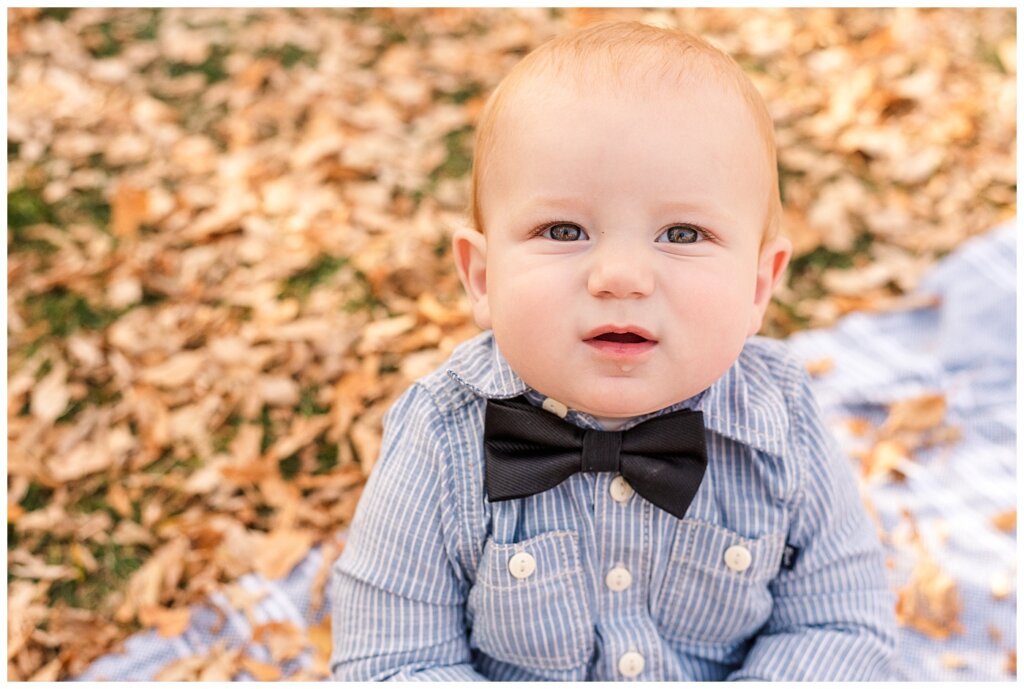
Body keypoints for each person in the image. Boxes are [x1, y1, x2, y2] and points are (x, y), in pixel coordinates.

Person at [329, 20, 896, 680]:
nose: (620, 275)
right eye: (564, 229)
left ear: (758, 286)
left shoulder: (782, 422)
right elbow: (391, 661)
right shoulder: (439, 437)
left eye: (682, 232)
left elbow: (841, 623)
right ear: (483, 278)